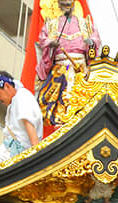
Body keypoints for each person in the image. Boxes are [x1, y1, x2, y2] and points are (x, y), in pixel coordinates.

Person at [35, 0, 99, 129]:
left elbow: (95, 38)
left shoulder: (84, 24)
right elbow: (43, 39)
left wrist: (91, 42)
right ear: (58, 5)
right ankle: (61, 121)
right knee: (60, 96)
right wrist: (50, 43)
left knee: (83, 97)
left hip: (80, 66)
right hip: (61, 66)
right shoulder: (51, 24)